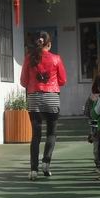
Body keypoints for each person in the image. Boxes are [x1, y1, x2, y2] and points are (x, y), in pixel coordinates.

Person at [20, 31, 67, 180]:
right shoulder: (56, 58)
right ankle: (46, 163)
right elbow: (63, 80)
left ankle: (33, 170)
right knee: (51, 133)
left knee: (36, 135)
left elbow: (23, 81)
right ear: (49, 44)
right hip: (52, 97)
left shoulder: (29, 58)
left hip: (34, 98)